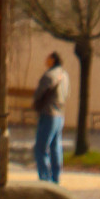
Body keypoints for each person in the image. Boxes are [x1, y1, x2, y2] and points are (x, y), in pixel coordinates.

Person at [32, 50, 70, 184]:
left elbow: (39, 93)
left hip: (48, 113)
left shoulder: (49, 75)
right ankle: (55, 177)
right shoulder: (64, 75)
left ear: (53, 59)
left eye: (48, 58)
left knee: (41, 148)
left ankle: (45, 178)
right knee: (55, 147)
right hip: (60, 115)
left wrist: (36, 102)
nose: (45, 60)